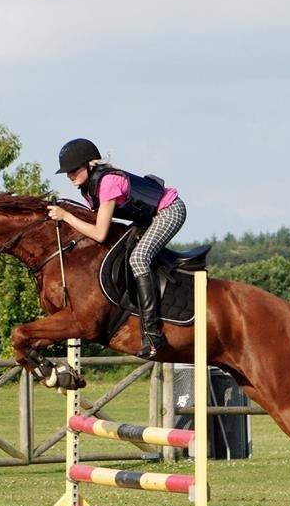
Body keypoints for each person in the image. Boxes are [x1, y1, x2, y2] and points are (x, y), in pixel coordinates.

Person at [46, 138, 186, 359]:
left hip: (169, 211)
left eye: (73, 170)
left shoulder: (107, 183)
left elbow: (99, 233)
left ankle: (152, 334)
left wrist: (66, 216)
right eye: (67, 173)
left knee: (139, 258)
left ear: (89, 165)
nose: (70, 176)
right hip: (147, 218)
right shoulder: (88, 189)